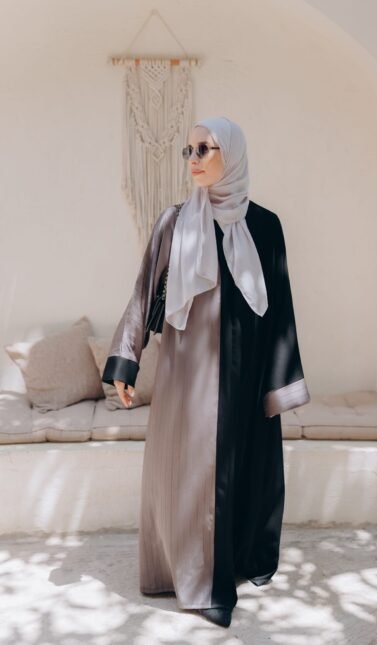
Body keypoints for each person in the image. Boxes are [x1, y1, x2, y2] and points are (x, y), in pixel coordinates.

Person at [101, 116, 311, 628]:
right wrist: (126, 362)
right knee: (193, 474)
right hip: (189, 375)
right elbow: (144, 292)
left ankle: (241, 560)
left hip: (248, 372)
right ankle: (201, 584)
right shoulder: (175, 222)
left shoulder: (265, 226)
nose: (193, 159)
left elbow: (280, 308)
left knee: (245, 468)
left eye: (204, 148)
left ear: (231, 155)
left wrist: (280, 382)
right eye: (188, 150)